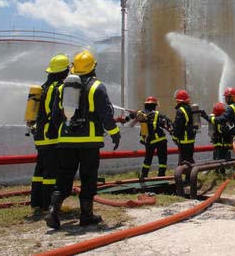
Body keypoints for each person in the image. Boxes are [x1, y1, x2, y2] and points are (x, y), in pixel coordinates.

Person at [45, 50, 121, 229]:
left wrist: (59, 133)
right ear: (93, 66)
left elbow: (56, 116)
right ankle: (86, 216)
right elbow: (106, 116)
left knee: (64, 175)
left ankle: (52, 211)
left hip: (66, 140)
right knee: (88, 177)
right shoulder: (97, 87)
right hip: (89, 142)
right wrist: (115, 133)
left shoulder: (63, 87)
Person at [29, 53, 69, 212]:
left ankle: (36, 202)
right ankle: (48, 204)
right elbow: (55, 114)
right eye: (67, 70)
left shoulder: (43, 87)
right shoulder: (58, 88)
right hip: (50, 136)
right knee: (51, 172)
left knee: (40, 170)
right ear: (63, 71)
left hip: (39, 135)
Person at [134, 96, 171, 179]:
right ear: (154, 105)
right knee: (162, 159)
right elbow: (168, 123)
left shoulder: (140, 113)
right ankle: (161, 176)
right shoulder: (158, 114)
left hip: (149, 140)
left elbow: (129, 117)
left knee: (147, 159)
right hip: (160, 140)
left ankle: (144, 176)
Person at [171, 89, 196, 165]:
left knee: (185, 160)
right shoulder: (189, 109)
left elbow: (178, 126)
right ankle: (190, 175)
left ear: (179, 100)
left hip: (184, 140)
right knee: (189, 158)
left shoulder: (180, 110)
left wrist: (174, 137)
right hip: (191, 138)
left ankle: (187, 176)